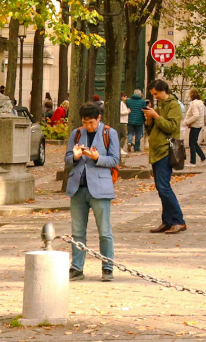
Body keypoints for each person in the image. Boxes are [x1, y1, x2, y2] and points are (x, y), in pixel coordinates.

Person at [64, 103, 120, 281]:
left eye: (91, 122)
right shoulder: (77, 133)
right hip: (78, 187)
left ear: (99, 119)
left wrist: (97, 158)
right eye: (85, 122)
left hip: (100, 188)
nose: (88, 126)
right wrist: (75, 156)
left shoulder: (109, 133)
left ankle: (107, 266)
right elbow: (67, 159)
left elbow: (115, 160)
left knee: (104, 231)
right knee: (78, 231)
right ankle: (77, 267)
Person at [142, 79, 187, 234]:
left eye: (156, 93)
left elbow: (171, 128)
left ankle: (178, 220)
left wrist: (155, 115)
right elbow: (153, 130)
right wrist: (149, 120)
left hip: (165, 151)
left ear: (163, 91)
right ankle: (167, 221)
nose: (155, 97)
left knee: (164, 187)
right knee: (161, 188)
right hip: (157, 151)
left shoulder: (173, 105)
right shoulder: (160, 106)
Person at [182, 89, 206, 165]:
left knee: (192, 143)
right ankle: (203, 158)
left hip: (195, 125)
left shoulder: (194, 104)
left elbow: (196, 115)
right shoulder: (200, 103)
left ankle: (193, 161)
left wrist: (187, 122)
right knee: (194, 143)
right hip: (199, 125)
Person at [124, 89, 147, 153]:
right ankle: (136, 148)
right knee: (138, 135)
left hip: (130, 120)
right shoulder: (142, 102)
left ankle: (129, 142)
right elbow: (144, 112)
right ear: (140, 94)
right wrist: (144, 120)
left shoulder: (128, 101)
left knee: (130, 132)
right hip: (139, 120)